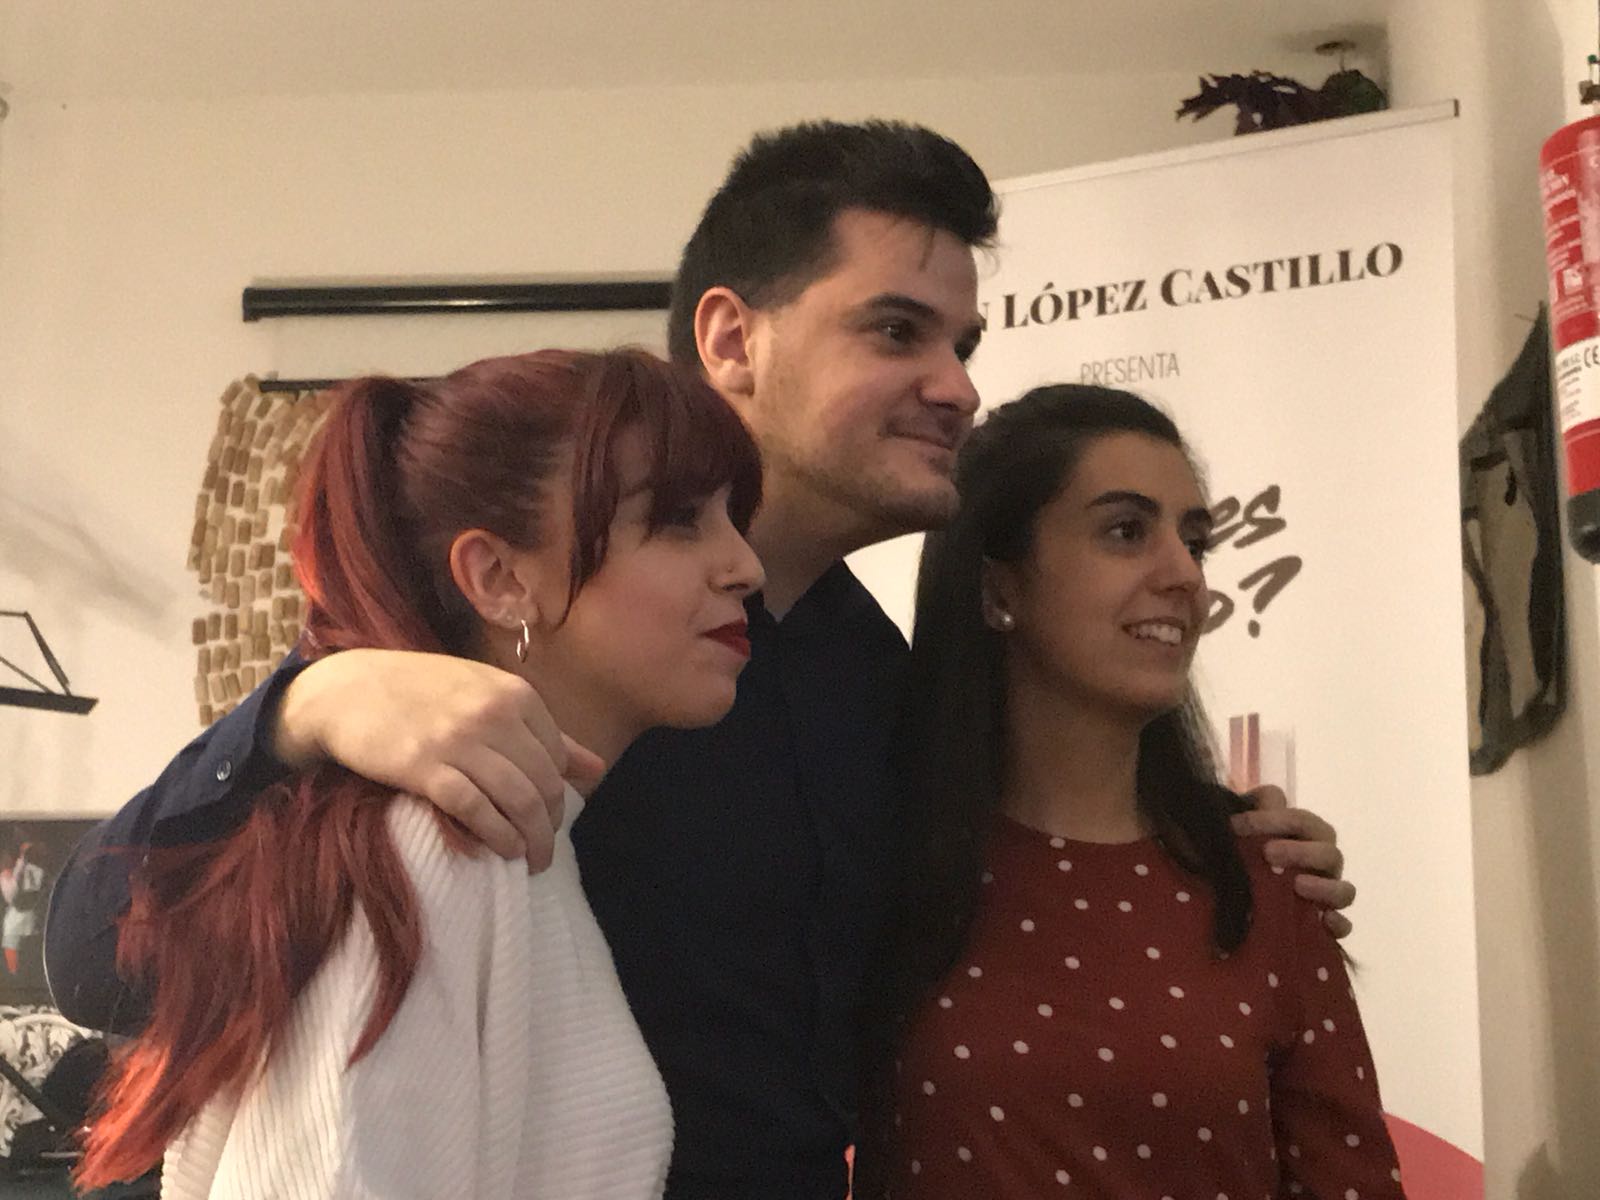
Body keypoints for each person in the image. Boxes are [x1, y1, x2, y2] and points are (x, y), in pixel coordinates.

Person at [47, 121, 1355, 1200]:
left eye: (965, 344)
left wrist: (1231, 849)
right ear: (731, 338)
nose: (958, 386)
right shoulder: (454, 688)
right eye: (897, 331)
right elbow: (100, 960)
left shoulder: (883, 690)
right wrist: (307, 704)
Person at [70, 349, 764, 1198]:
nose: (746, 566)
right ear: (499, 578)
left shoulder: (517, 838)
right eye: (679, 520)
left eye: (733, 518)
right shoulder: (430, 850)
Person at [855, 385, 1402, 1199]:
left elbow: (1349, 1180)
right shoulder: (881, 857)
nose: (1184, 575)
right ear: (999, 589)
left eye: (1196, 541)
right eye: (1125, 531)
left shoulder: (1266, 876)